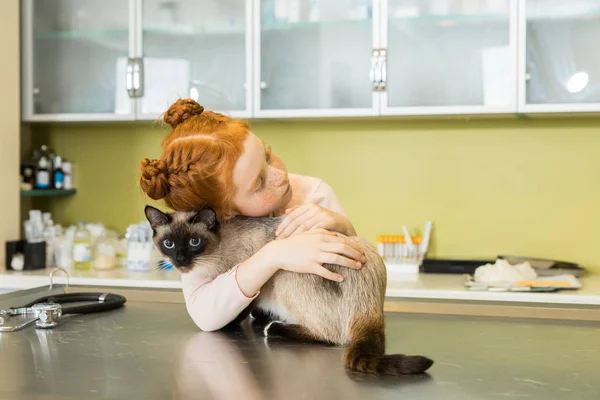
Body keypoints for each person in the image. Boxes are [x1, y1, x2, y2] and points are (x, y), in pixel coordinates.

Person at [139, 99, 365, 331]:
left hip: (319, 329)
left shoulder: (314, 194)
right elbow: (204, 317)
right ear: (224, 214)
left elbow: (358, 287)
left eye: (267, 156)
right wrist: (273, 255)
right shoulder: (201, 232)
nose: (278, 175)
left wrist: (344, 227)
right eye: (259, 183)